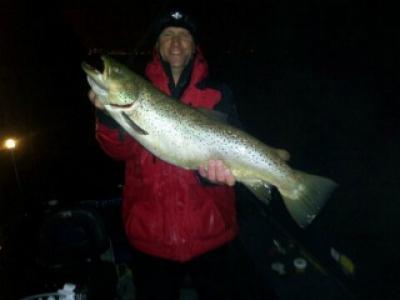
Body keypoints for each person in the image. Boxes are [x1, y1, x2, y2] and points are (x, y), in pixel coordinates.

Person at [88, 9, 268, 300]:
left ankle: (291, 183)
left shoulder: (218, 92)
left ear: (195, 46)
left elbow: (234, 150)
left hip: (211, 234)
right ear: (157, 46)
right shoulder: (139, 93)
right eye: (167, 35)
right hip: (151, 238)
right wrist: (107, 116)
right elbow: (117, 151)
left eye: (183, 36)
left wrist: (214, 178)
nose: (175, 43)